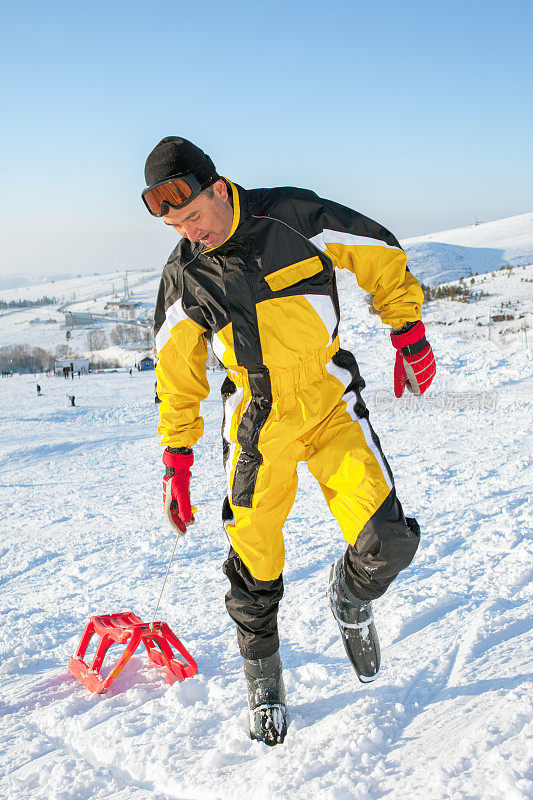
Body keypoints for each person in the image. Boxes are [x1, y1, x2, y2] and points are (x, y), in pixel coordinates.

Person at [144, 137, 436, 746]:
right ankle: (263, 674)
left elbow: (378, 253)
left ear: (219, 189)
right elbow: (176, 372)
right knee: (254, 563)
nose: (190, 233)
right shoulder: (184, 277)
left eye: (193, 216)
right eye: (176, 225)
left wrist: (407, 330)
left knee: (388, 540)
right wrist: (177, 458)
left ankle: (352, 596)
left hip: (330, 402)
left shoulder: (293, 218)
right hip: (256, 423)